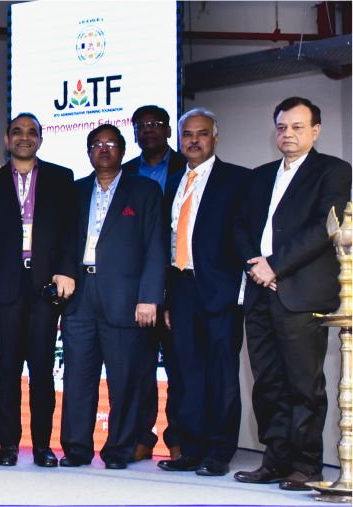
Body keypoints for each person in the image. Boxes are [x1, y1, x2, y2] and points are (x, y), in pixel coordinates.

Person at [234, 97, 351, 491]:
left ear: (315, 131)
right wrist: (256, 267)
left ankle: (306, 465)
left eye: (298, 127)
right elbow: (240, 227)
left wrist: (276, 266)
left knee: (304, 384)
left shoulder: (333, 170)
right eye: (282, 127)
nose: (288, 134)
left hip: (301, 291)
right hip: (259, 290)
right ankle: (276, 460)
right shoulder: (258, 176)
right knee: (267, 382)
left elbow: (323, 228)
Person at [0, 113, 77, 468]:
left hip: (45, 287)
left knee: (43, 371)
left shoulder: (61, 178)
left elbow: (70, 231)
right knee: (8, 370)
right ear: (7, 139)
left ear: (40, 140)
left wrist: (66, 271)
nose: (24, 137)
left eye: (32, 132)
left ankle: (43, 445)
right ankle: (9, 445)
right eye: (17, 132)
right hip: (5, 287)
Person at [59, 124, 165, 470]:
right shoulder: (75, 191)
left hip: (127, 297)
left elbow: (156, 247)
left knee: (125, 380)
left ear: (122, 150)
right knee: (77, 378)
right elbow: (62, 241)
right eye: (96, 144)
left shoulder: (145, 190)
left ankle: (120, 449)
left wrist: (149, 297)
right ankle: (76, 449)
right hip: (80, 295)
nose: (103, 149)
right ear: (88, 152)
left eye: (110, 144)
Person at [154, 108, 249, 477]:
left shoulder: (237, 179)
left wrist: (239, 288)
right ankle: (191, 449)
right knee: (186, 374)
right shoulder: (173, 182)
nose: (194, 140)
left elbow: (245, 237)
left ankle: (218, 452)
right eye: (188, 134)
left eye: (202, 133)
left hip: (220, 291)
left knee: (221, 374)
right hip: (181, 289)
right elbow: (165, 242)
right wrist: (166, 297)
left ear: (215, 137)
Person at [123, 104, 189, 462]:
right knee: (139, 368)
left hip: (179, 281)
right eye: (141, 125)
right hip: (137, 286)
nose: (148, 129)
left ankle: (179, 438)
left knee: (179, 366)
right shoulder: (125, 172)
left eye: (156, 124)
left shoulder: (187, 167)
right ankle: (141, 437)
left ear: (168, 130)